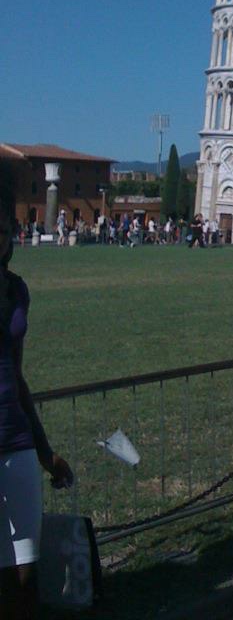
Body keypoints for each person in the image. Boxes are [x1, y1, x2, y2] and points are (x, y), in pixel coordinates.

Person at [0, 178, 74, 618]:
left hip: (16, 440)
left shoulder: (16, 289)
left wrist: (46, 453)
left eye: (3, 229)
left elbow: (18, 375)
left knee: (26, 574)